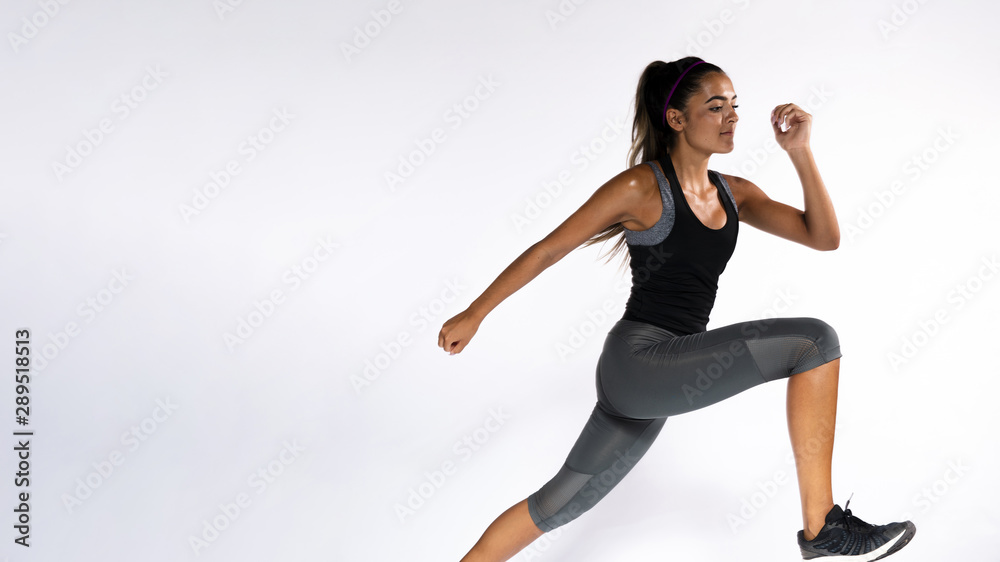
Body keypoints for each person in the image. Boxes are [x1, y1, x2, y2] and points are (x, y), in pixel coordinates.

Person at [437, 57, 916, 561]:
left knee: (558, 504)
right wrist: (476, 312)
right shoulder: (640, 188)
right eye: (715, 107)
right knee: (814, 341)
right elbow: (548, 249)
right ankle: (822, 530)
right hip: (640, 361)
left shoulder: (736, 193)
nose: (732, 117)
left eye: (735, 106)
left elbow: (824, 237)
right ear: (677, 120)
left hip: (663, 375)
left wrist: (799, 152)